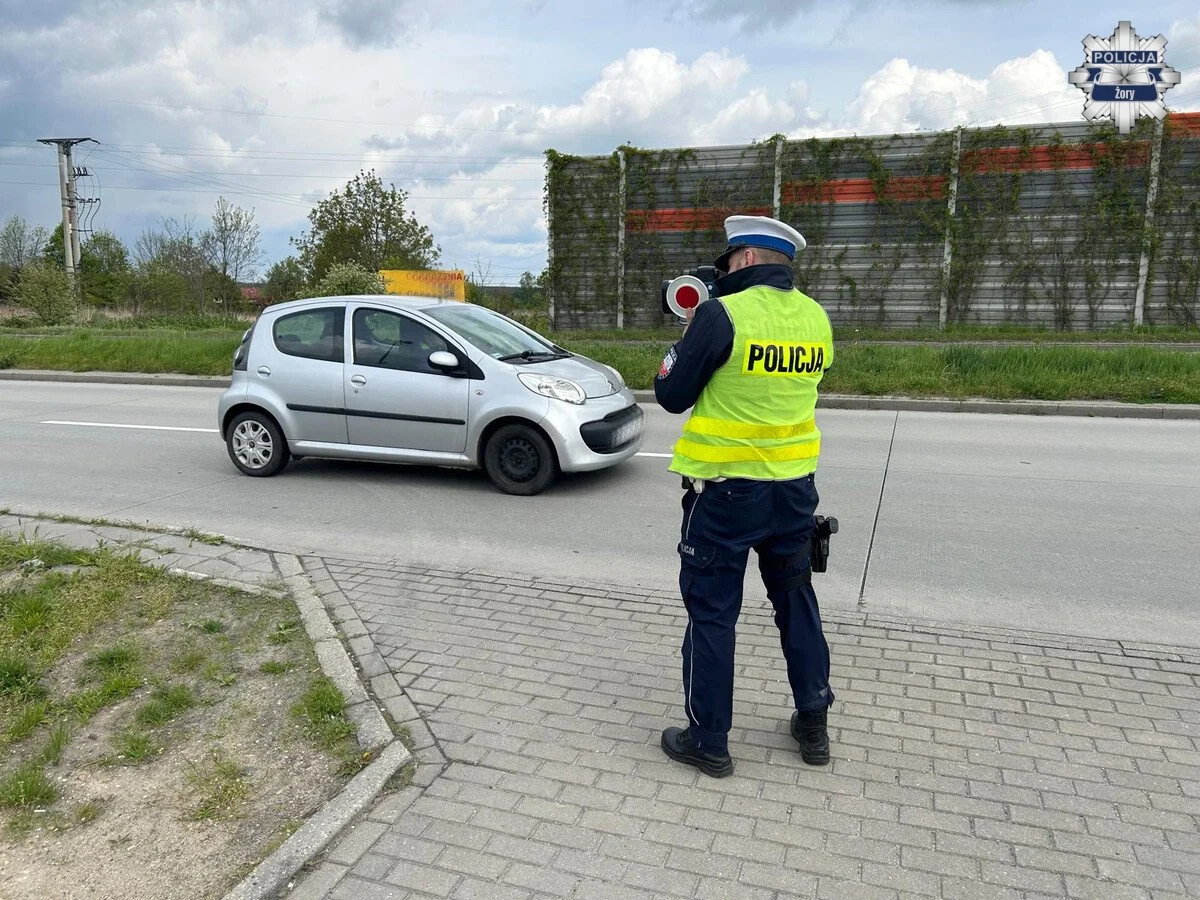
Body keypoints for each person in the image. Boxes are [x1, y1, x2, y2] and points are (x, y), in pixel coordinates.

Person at [655, 215, 836, 778]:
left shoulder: (720, 315)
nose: (721, 269)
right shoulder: (816, 317)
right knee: (796, 599)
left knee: (712, 613)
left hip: (727, 496)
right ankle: (813, 725)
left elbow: (670, 394)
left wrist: (687, 336)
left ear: (750, 259)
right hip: (795, 493)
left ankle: (708, 741)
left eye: (728, 260)